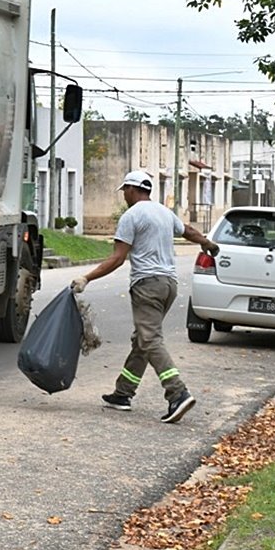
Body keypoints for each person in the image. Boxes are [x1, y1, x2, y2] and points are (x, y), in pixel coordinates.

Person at [70, 170, 219, 424]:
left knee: (150, 339)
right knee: (142, 338)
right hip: (168, 285)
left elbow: (117, 258)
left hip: (147, 286)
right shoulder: (163, 212)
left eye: (124, 190)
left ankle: (177, 392)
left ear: (132, 188)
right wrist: (207, 243)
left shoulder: (131, 216)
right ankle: (123, 393)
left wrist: (87, 278)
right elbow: (188, 230)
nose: (124, 196)